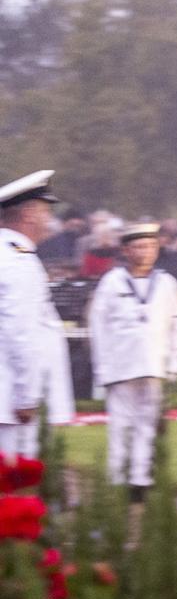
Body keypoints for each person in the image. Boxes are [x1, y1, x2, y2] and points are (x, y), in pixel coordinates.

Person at [88, 223, 177, 502]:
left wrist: (175, 362)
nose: (144, 252)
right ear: (125, 250)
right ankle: (118, 478)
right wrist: (102, 367)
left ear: (157, 249)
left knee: (148, 424)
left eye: (149, 246)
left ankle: (141, 482)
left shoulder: (167, 283)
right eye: (138, 247)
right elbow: (98, 325)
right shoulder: (112, 282)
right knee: (121, 425)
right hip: (121, 366)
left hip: (154, 364)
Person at [0, 171, 74, 460]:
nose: (49, 221)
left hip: (7, 394)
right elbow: (21, 332)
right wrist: (27, 395)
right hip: (12, 399)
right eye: (46, 212)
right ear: (29, 215)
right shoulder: (19, 261)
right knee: (16, 487)